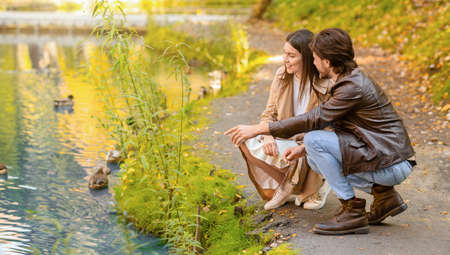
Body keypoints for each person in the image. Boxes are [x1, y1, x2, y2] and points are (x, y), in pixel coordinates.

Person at [225, 28, 415, 235]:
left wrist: (259, 129)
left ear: (327, 61)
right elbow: (339, 130)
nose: (313, 62)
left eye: (315, 58)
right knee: (313, 154)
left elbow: (314, 119)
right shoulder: (349, 80)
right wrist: (302, 149)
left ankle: (351, 210)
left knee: (314, 140)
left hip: (392, 163)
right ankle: (384, 196)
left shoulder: (351, 87)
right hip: (382, 157)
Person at [239, 29, 333, 211]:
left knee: (314, 143)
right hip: (287, 139)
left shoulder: (327, 84)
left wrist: (304, 146)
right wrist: (267, 136)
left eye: (291, 55)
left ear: (306, 57)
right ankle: (290, 187)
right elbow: (269, 113)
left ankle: (318, 185)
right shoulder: (282, 75)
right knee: (245, 138)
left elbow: (331, 128)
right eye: (284, 53)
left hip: (310, 144)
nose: (285, 59)